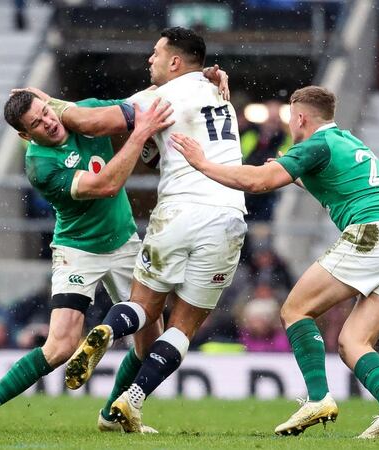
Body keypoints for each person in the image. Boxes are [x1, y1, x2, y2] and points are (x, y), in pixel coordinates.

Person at [172, 85, 379, 438]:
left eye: (293, 118)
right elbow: (342, 185)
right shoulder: (350, 143)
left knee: (295, 310)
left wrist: (202, 163)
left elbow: (260, 182)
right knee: (354, 342)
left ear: (301, 117)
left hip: (374, 233)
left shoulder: (315, 145)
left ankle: (318, 398)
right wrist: (299, 177)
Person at [0, 86, 174, 434]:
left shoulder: (82, 112)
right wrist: (141, 132)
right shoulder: (40, 165)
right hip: (77, 250)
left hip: (125, 242)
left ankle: (111, 415)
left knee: (149, 342)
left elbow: (136, 101)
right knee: (60, 347)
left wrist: (194, 79)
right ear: (25, 135)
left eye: (47, 113)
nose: (49, 123)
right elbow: (105, 185)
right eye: (37, 124)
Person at [60, 27, 247, 432]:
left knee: (144, 308)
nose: (150, 60)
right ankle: (133, 401)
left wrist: (47, 105)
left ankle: (109, 327)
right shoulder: (221, 94)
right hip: (229, 214)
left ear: (176, 62)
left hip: (179, 210)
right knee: (183, 327)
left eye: (156, 53)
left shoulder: (158, 97)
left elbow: (92, 122)